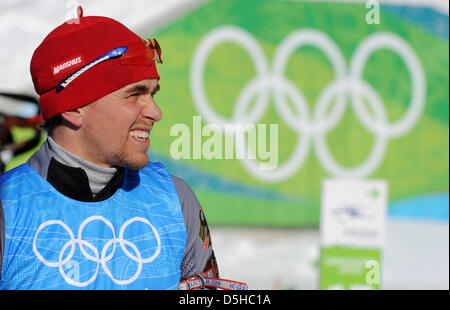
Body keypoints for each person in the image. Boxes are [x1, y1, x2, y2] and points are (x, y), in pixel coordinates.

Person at [0, 7, 246, 290]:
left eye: (152, 94)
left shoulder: (175, 200)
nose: (155, 112)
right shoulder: (7, 206)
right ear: (73, 107)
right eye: (135, 95)